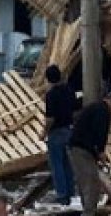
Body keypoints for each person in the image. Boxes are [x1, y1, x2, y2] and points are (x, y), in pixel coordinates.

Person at [67, 92, 111, 215]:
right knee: (91, 183)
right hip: (81, 149)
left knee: (85, 181)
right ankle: (88, 212)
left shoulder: (96, 107)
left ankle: (87, 209)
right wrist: (101, 151)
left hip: (79, 148)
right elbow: (100, 132)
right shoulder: (102, 111)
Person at [43, 65, 76, 205]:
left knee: (57, 165)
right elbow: (75, 111)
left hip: (56, 133)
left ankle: (62, 195)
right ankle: (70, 191)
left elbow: (50, 119)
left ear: (48, 79)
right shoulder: (69, 91)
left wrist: (43, 132)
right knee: (67, 163)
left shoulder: (51, 95)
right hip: (69, 130)